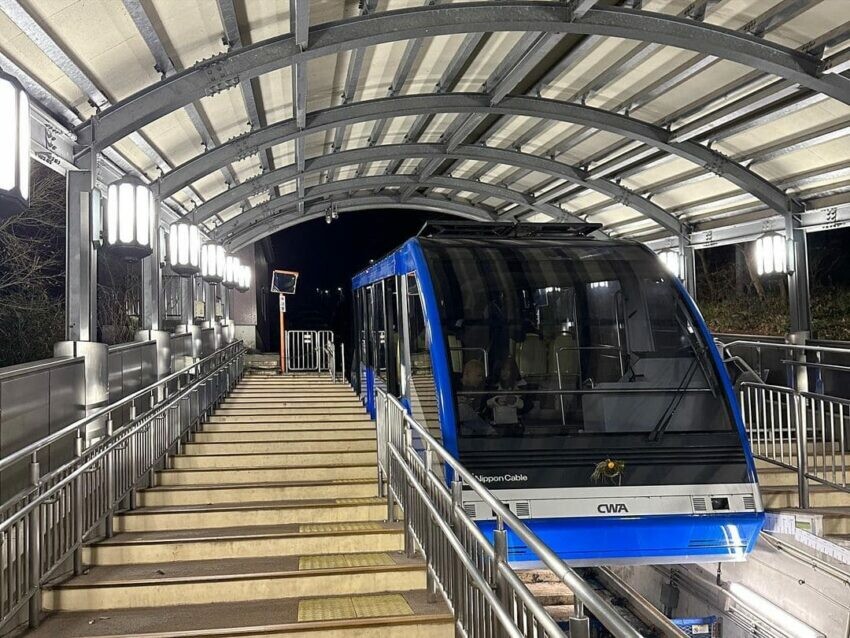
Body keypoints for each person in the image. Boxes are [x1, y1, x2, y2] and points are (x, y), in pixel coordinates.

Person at [487, 359, 528, 435]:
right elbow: (485, 406)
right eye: (503, 369)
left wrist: (515, 401)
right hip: (496, 429)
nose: (505, 372)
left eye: (508, 370)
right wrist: (496, 400)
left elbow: (528, 406)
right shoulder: (492, 387)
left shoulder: (521, 387)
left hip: (516, 428)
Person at [457, 359, 494, 435]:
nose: (481, 379)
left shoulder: (481, 389)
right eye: (479, 376)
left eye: (482, 376)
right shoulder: (454, 386)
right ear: (467, 374)